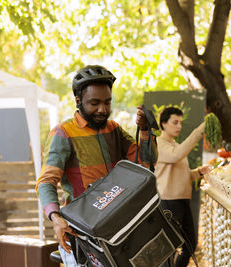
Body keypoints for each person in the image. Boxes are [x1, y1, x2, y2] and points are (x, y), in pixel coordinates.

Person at [35, 65, 157, 266]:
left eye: (107, 103)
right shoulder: (63, 133)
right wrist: (56, 218)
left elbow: (146, 162)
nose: (103, 109)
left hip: (117, 231)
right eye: (95, 103)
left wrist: (144, 130)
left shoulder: (114, 129)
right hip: (82, 237)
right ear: (78, 101)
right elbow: (46, 181)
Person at [154, 107, 210, 267]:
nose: (179, 126)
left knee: (190, 244)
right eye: (175, 122)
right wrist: (200, 130)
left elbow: (182, 175)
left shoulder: (174, 145)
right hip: (169, 202)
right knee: (169, 249)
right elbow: (176, 155)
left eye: (180, 123)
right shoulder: (159, 144)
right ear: (163, 124)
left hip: (182, 201)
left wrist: (198, 172)